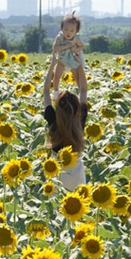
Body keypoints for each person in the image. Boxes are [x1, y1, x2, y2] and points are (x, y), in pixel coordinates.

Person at [43, 54, 87, 191]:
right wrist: (79, 65)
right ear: (76, 109)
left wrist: (53, 65)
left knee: (55, 210)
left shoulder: (53, 119)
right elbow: (84, 89)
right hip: (77, 177)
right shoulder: (79, 120)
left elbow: (45, 91)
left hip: (57, 176)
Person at [51, 12, 88, 105]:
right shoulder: (59, 37)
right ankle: (56, 93)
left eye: (72, 30)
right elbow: (55, 48)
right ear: (62, 28)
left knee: (77, 77)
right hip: (62, 58)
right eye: (66, 30)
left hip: (72, 59)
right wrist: (66, 46)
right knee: (56, 76)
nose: (68, 33)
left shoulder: (76, 38)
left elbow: (81, 46)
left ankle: (81, 95)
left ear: (76, 31)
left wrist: (75, 49)